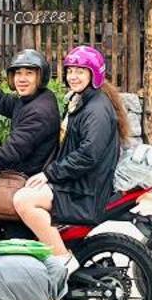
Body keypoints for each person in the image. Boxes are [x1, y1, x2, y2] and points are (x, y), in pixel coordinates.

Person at [10, 44, 124, 271]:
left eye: (80, 71)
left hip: (85, 189)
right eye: (70, 71)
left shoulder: (96, 110)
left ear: (94, 74)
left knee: (23, 200)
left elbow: (88, 155)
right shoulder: (82, 101)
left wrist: (49, 173)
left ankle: (63, 260)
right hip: (78, 181)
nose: (73, 76)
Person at [0, 47, 61, 182]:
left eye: (29, 73)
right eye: (18, 73)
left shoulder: (39, 111)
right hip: (22, 172)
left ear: (40, 77)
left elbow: (12, 152)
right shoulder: (32, 98)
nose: (22, 79)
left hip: (28, 179)